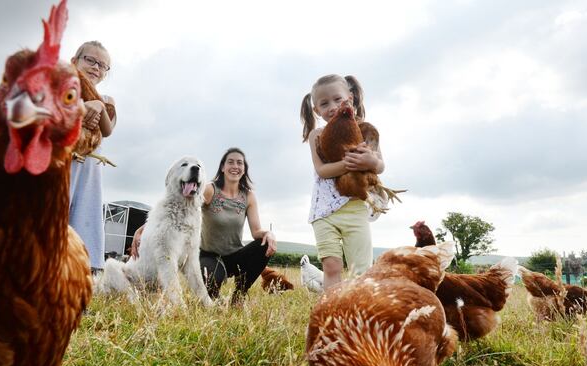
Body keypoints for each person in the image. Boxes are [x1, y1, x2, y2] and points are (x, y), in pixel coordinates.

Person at [131, 148, 277, 304]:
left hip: (235, 255)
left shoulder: (248, 196)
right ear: (222, 167)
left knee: (263, 245)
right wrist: (142, 229)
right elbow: (177, 208)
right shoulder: (209, 189)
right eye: (230, 162)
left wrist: (269, 234)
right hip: (210, 257)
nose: (235, 166)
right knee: (210, 283)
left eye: (239, 163)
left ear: (244, 169)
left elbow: (256, 232)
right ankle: (212, 296)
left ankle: (238, 296)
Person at [300, 74, 384, 290]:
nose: (332, 106)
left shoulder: (365, 131)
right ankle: (332, 310)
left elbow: (381, 166)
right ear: (317, 110)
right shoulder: (316, 135)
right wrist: (351, 163)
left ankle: (357, 310)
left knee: (361, 269)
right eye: (324, 103)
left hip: (355, 208)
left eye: (337, 99)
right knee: (331, 266)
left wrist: (370, 160)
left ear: (350, 99)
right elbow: (322, 170)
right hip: (323, 212)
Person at [68, 41, 117, 274]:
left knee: (85, 219)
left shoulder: (106, 99)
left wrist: (98, 103)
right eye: (90, 60)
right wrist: (83, 106)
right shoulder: (61, 90)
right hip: (63, 164)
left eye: (103, 65)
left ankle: (81, 278)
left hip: (88, 168)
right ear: (74, 61)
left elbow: (107, 130)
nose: (96, 67)